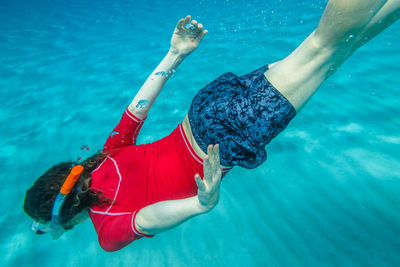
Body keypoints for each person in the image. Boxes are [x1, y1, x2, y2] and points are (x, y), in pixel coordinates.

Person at [24, 0, 399, 252]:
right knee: (340, 49)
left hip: (228, 135)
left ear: (64, 216)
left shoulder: (107, 231)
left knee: (322, 46)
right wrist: (174, 55)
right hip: (206, 108)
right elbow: (137, 107)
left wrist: (200, 205)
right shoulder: (106, 155)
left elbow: (148, 218)